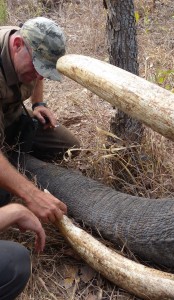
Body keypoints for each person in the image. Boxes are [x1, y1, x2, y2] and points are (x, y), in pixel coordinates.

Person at [0, 16, 80, 299]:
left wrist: (38, 103)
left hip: (11, 116)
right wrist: (30, 195)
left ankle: (15, 154)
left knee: (67, 145)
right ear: (17, 45)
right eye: (35, 69)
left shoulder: (25, 49)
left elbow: (38, 72)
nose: (38, 76)